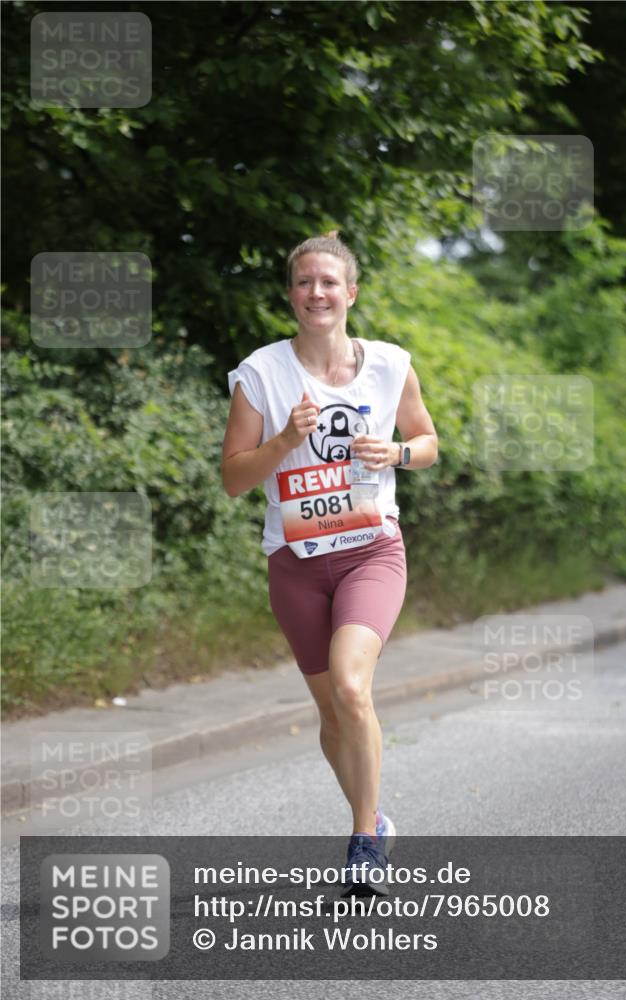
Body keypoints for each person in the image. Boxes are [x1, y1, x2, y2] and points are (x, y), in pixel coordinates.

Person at [222, 232, 438, 895]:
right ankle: (373, 816)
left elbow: (427, 439)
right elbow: (232, 478)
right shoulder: (260, 373)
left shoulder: (390, 364)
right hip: (294, 563)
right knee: (328, 710)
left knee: (350, 687)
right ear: (291, 294)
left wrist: (396, 454)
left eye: (328, 282)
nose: (316, 293)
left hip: (370, 552)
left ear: (351, 292)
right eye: (304, 282)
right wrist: (285, 437)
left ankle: (362, 840)